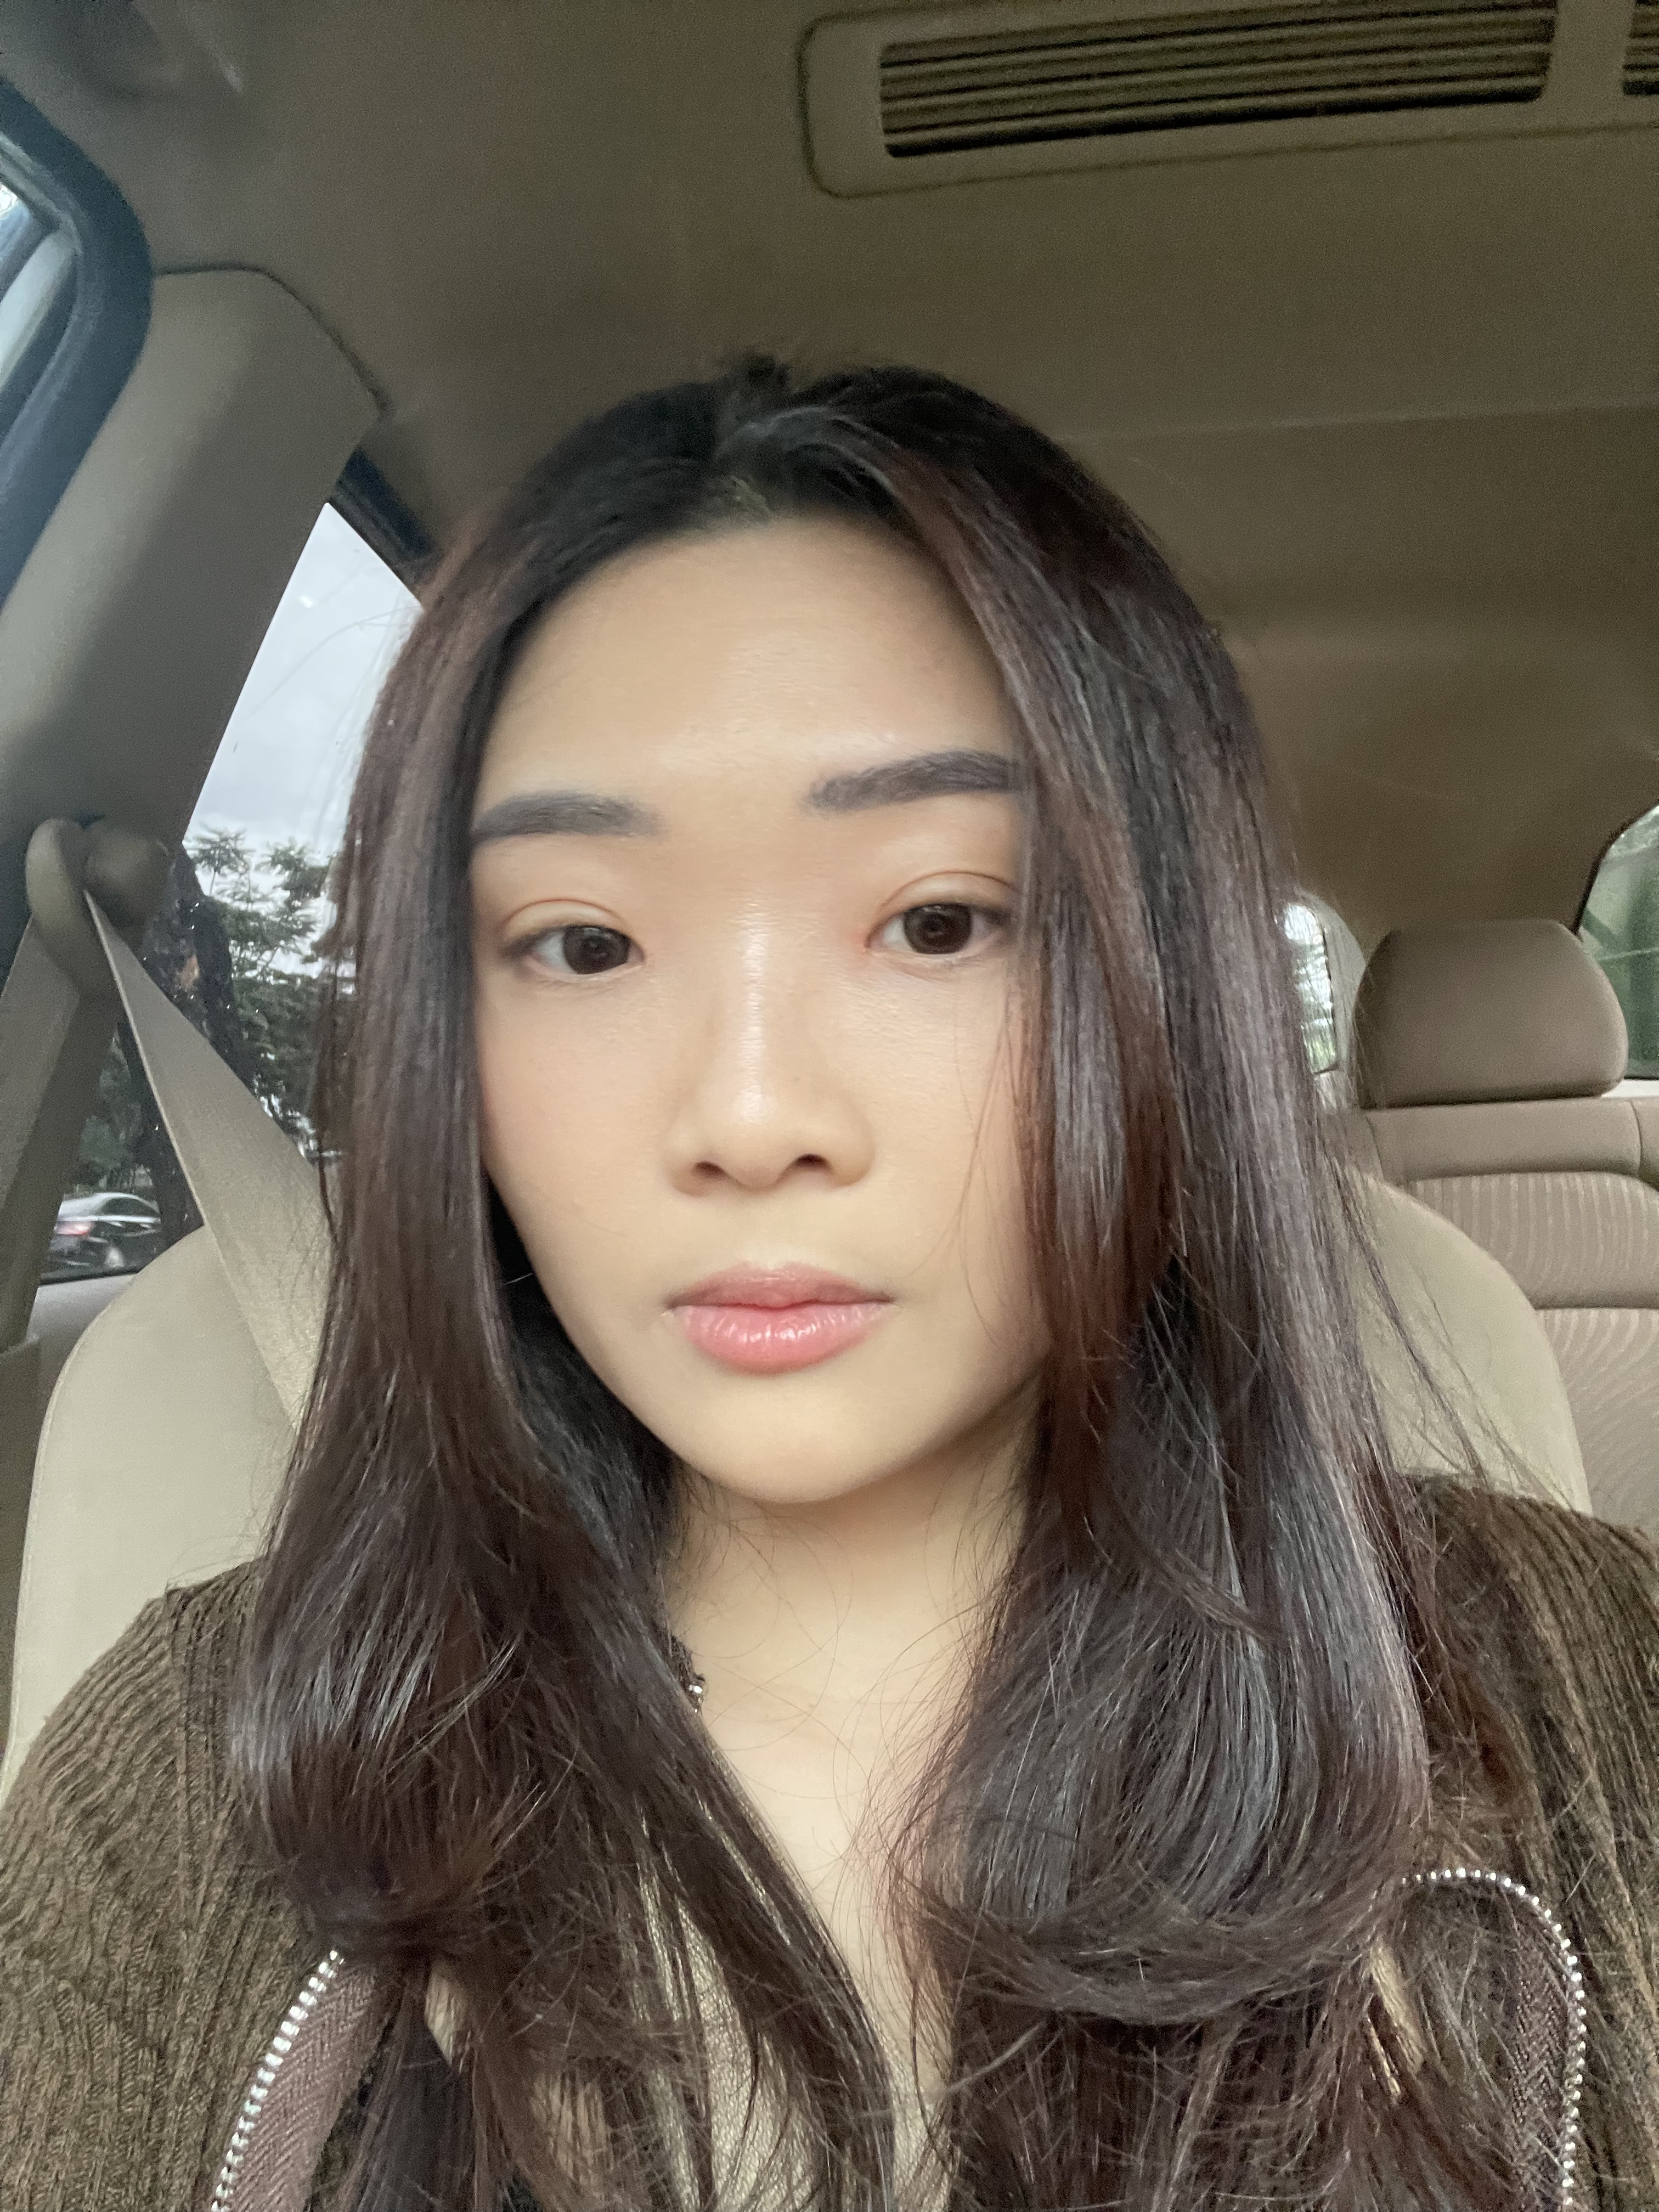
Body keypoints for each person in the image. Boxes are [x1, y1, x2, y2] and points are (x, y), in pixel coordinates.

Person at [2, 358, 1656, 2211]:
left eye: (939, 922)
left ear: (1165, 999)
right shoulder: (177, 1796)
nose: (749, 1115)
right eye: (583, 943)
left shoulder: (1600, 1696)